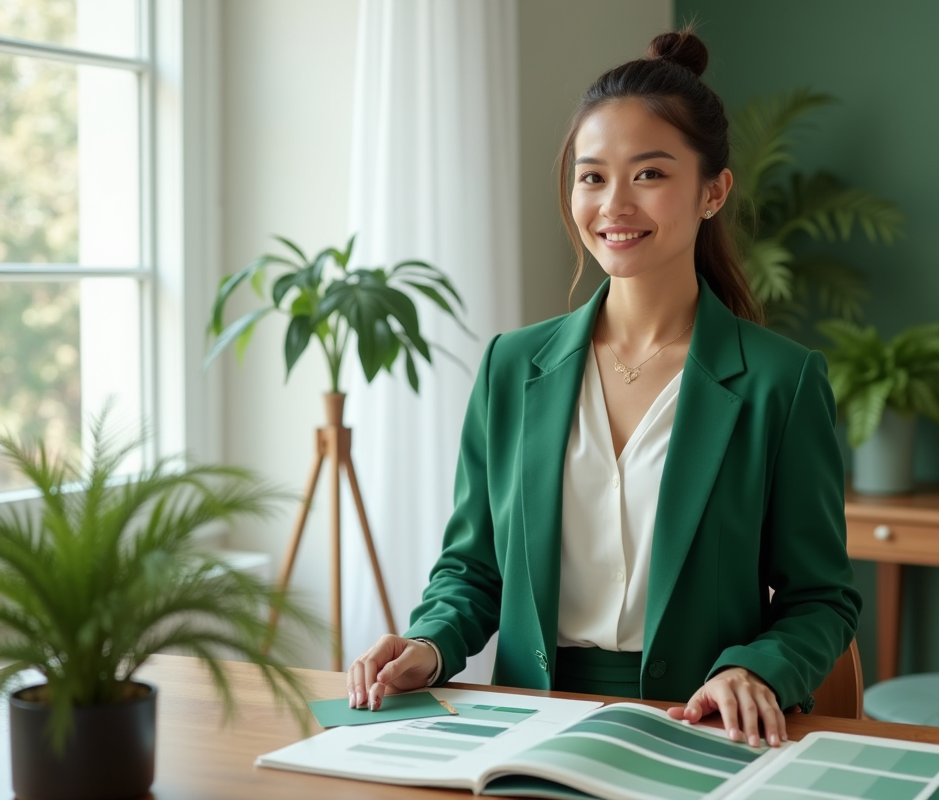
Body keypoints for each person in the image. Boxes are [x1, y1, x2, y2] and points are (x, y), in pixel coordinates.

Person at [346, 26, 860, 750]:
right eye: (592, 177)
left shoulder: (782, 381)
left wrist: (756, 670)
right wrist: (429, 644)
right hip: (526, 730)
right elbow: (473, 569)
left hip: (698, 728)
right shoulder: (510, 366)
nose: (614, 204)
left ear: (713, 192)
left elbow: (821, 598)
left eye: (648, 175)